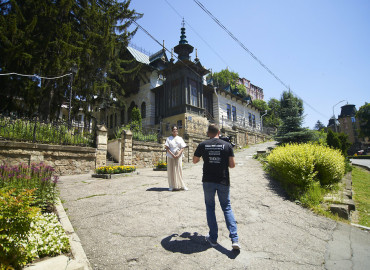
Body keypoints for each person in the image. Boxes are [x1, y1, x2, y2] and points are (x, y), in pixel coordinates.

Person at [193, 124, 240, 250]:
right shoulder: (227, 145)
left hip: (208, 180)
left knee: (210, 207)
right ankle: (234, 239)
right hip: (223, 180)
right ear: (219, 132)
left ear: (208, 133)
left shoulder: (203, 144)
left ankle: (213, 238)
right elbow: (232, 165)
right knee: (227, 207)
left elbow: (194, 160)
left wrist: (207, 157)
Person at [164, 125, 188, 191]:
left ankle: (182, 185)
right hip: (171, 156)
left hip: (178, 156)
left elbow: (182, 147)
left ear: (177, 131)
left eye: (176, 129)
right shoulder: (169, 138)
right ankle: (171, 186)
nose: (175, 131)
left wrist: (178, 154)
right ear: (172, 131)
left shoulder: (180, 138)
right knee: (171, 170)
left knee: (179, 170)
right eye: (174, 130)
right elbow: (167, 148)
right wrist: (172, 155)